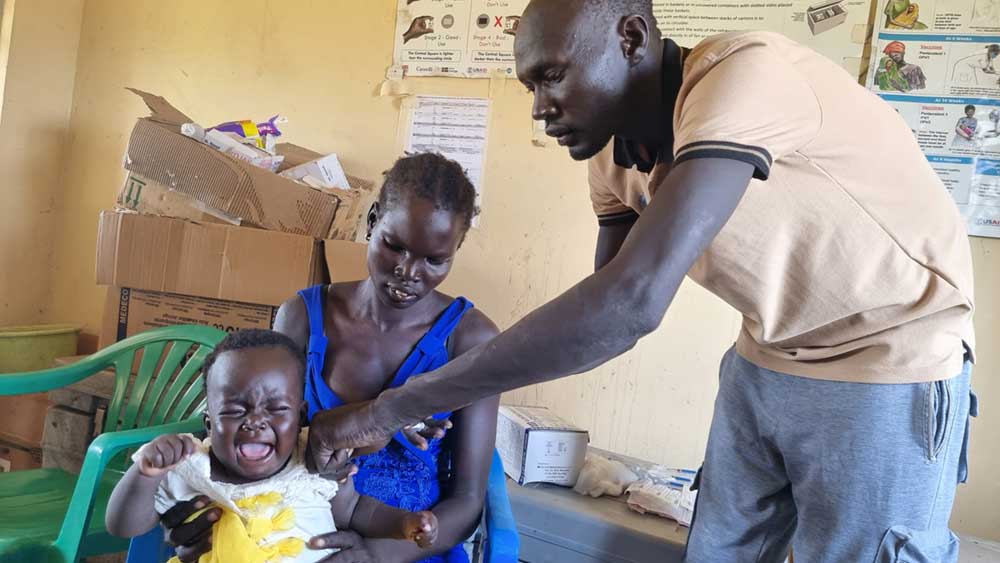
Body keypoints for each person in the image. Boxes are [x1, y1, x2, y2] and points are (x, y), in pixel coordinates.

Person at [310, 2, 977, 562]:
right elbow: (601, 319)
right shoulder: (609, 154)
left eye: (552, 78)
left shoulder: (742, 80)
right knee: (719, 548)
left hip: (890, 355)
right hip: (768, 353)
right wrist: (428, 397)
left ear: (630, 37)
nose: (539, 109)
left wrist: (393, 405)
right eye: (529, 89)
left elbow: (628, 304)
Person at [160, 153, 501, 563]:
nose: (408, 271)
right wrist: (200, 511)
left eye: (435, 259)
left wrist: (374, 555)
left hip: (405, 548)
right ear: (373, 221)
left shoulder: (471, 339)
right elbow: (259, 437)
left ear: (456, 250)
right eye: (395, 246)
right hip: (289, 531)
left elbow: (466, 502)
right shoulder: (303, 317)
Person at [105, 329, 439, 563]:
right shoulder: (191, 466)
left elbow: (356, 511)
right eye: (236, 410)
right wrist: (146, 472)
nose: (255, 421)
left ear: (300, 418)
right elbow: (122, 525)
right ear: (209, 424)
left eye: (276, 409)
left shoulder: (312, 463)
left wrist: (406, 524)